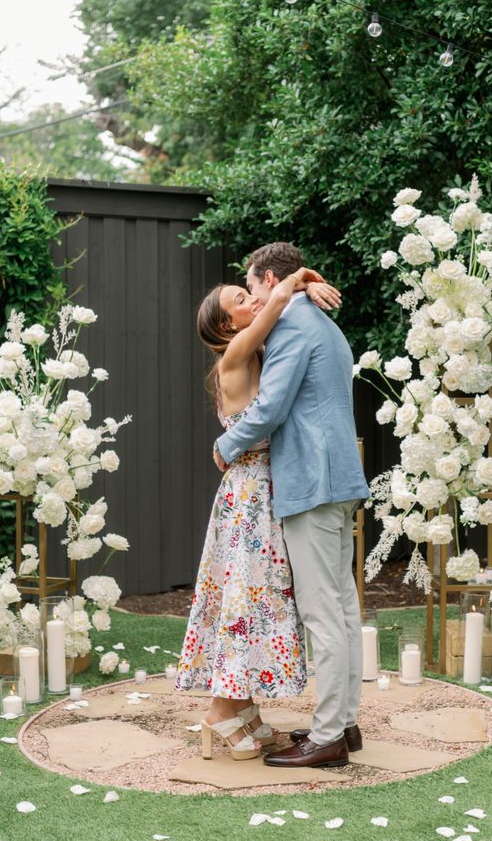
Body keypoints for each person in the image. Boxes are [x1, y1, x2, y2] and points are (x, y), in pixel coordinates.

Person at [175, 264, 342, 761]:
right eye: (239, 300)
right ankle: (220, 712)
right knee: (243, 597)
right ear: (227, 325)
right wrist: (295, 280)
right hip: (249, 493)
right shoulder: (235, 353)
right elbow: (274, 307)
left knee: (257, 595)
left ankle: (242, 705)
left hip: (263, 488)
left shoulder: (254, 353)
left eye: (247, 293)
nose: (252, 301)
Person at [213, 242, 370, 769]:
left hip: (312, 481)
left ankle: (327, 738)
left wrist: (226, 445)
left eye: (249, 286)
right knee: (341, 608)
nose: (253, 297)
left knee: (322, 612)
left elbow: (271, 407)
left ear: (266, 279)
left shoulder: (292, 327)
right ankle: (344, 724)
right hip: (338, 479)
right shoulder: (320, 322)